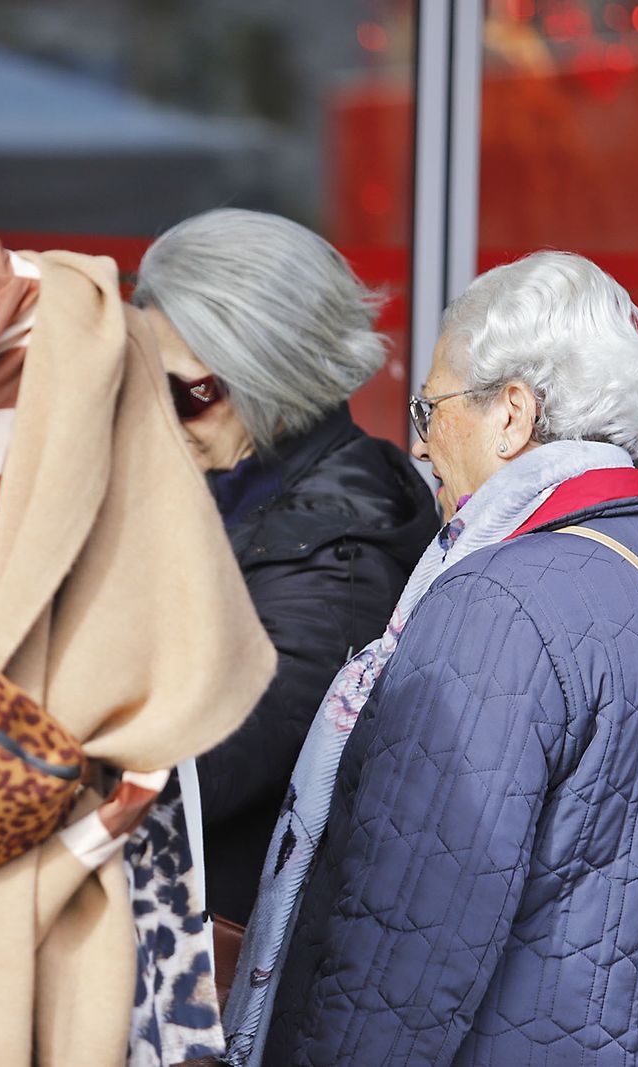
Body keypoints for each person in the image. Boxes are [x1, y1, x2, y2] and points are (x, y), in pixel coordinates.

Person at [239, 250, 638, 1066]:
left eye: (431, 407)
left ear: (513, 415)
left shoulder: (493, 604)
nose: (418, 444)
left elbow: (398, 953)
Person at [131, 209, 437, 929]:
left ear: (265, 372)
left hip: (223, 985)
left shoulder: (337, 559)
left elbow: (184, 778)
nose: (161, 413)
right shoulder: (221, 485)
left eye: (185, 391)